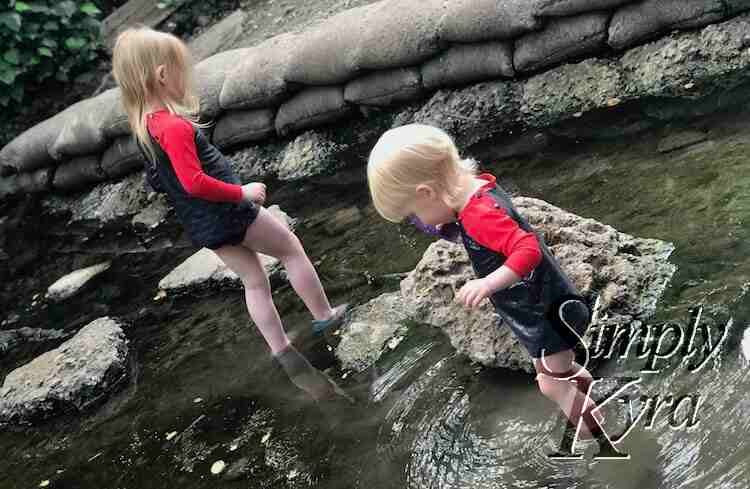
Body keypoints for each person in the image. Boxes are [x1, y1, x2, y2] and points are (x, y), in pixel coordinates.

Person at [111, 27, 348, 401]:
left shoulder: (146, 129)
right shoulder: (173, 127)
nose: (186, 77)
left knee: (254, 282)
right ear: (161, 76)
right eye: (180, 70)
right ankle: (325, 316)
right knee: (290, 250)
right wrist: (242, 192)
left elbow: (161, 182)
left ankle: (281, 348)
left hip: (204, 225)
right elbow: (193, 182)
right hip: (230, 211)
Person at [367, 123, 605, 440]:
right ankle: (591, 404)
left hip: (545, 314)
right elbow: (476, 229)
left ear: (427, 192)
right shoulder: (475, 190)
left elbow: (528, 249)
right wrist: (441, 224)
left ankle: (599, 439)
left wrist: (488, 283)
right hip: (551, 303)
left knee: (550, 384)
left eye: (413, 214)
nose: (417, 223)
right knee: (558, 374)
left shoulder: (478, 215)